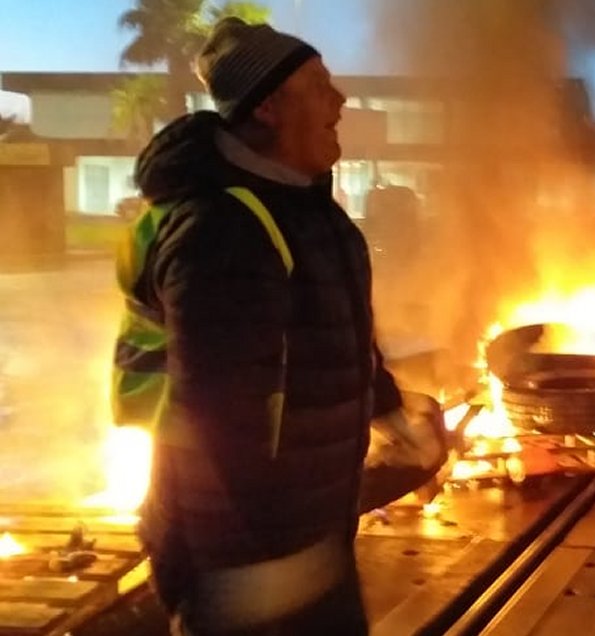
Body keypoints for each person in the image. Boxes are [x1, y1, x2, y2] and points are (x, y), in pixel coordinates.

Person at [112, 18, 407, 635]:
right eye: (319, 85)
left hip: (308, 536)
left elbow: (342, 331)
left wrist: (387, 407)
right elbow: (213, 414)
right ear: (268, 106)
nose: (340, 100)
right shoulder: (223, 229)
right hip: (248, 560)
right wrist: (249, 564)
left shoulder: (312, 212)